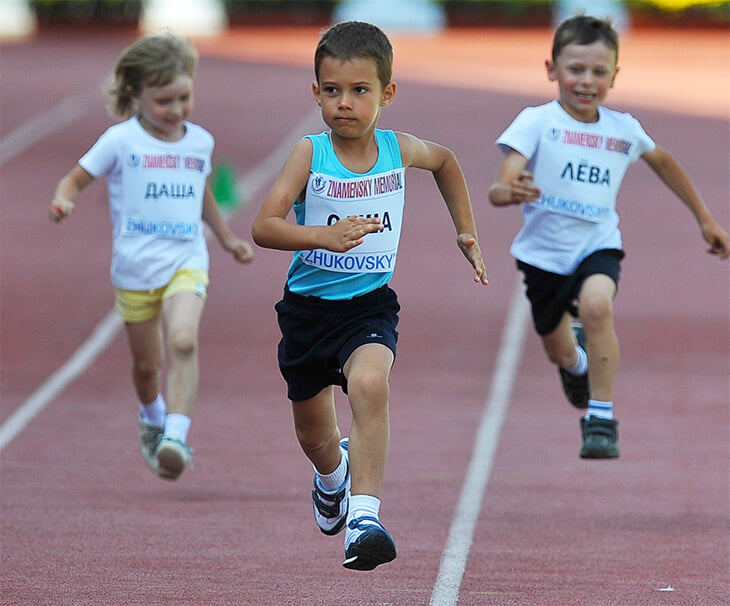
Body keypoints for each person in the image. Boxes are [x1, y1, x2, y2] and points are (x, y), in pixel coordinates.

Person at [251, 21, 488, 570]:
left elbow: (447, 161)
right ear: (315, 94)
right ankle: (332, 480)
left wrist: (464, 230)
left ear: (387, 94)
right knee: (315, 436)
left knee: (371, 384)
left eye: (360, 91)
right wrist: (320, 236)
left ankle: (365, 517)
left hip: (369, 306)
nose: (345, 104)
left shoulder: (397, 149)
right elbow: (264, 226)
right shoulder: (309, 154)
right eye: (331, 91)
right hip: (308, 313)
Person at [488, 15, 729, 460]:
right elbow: (500, 185)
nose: (586, 81)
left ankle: (600, 418)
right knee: (560, 352)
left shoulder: (623, 129)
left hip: (597, 244)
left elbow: (665, 163)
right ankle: (578, 363)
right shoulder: (536, 122)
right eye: (576, 69)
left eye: (599, 72)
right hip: (543, 257)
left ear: (614, 77)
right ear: (551, 69)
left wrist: (705, 219)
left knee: (599, 305)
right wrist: (507, 191)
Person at [48, 32, 254, 480]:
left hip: (186, 259)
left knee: (183, 340)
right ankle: (152, 416)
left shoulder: (199, 142)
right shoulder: (119, 142)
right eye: (164, 100)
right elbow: (74, 180)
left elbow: (201, 193)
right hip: (135, 268)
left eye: (184, 96)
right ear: (134, 95)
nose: (176, 109)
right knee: (147, 367)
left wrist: (225, 238)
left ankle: (175, 437)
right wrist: (64, 200)